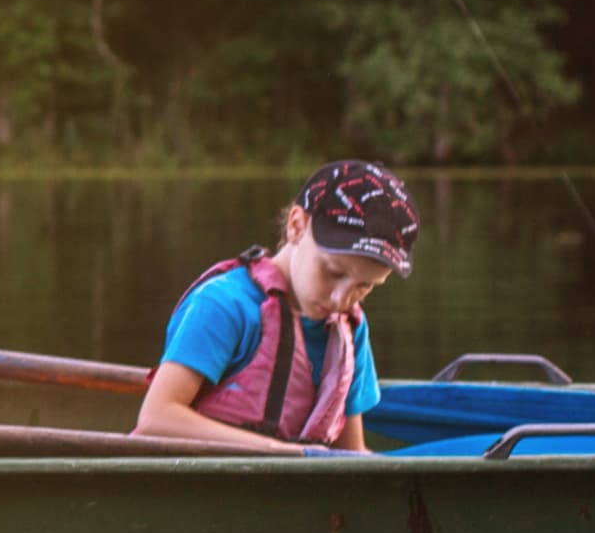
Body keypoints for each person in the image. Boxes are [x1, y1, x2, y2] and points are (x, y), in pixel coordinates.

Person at [133, 160, 419, 455]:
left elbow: (354, 452)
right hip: (194, 487)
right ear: (297, 226)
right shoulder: (224, 305)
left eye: (365, 286)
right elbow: (157, 417)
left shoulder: (349, 329)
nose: (340, 299)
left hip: (283, 491)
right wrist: (284, 453)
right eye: (333, 272)